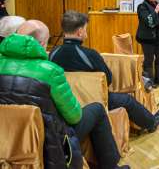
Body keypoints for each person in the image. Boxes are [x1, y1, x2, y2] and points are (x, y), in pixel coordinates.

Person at [0, 20, 128, 169]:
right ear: (42, 44)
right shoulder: (50, 71)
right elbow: (74, 117)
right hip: (49, 144)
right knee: (97, 109)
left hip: (7, 141)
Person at [49, 10, 159, 133]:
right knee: (127, 100)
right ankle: (151, 123)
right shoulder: (90, 55)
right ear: (79, 32)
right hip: (93, 100)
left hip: (63, 100)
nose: (86, 34)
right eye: (85, 30)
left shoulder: (53, 53)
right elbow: (107, 79)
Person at [136, 0, 159, 86]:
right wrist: (156, 11)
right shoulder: (142, 7)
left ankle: (158, 78)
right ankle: (149, 81)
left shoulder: (157, 4)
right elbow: (148, 21)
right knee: (149, 60)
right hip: (147, 39)